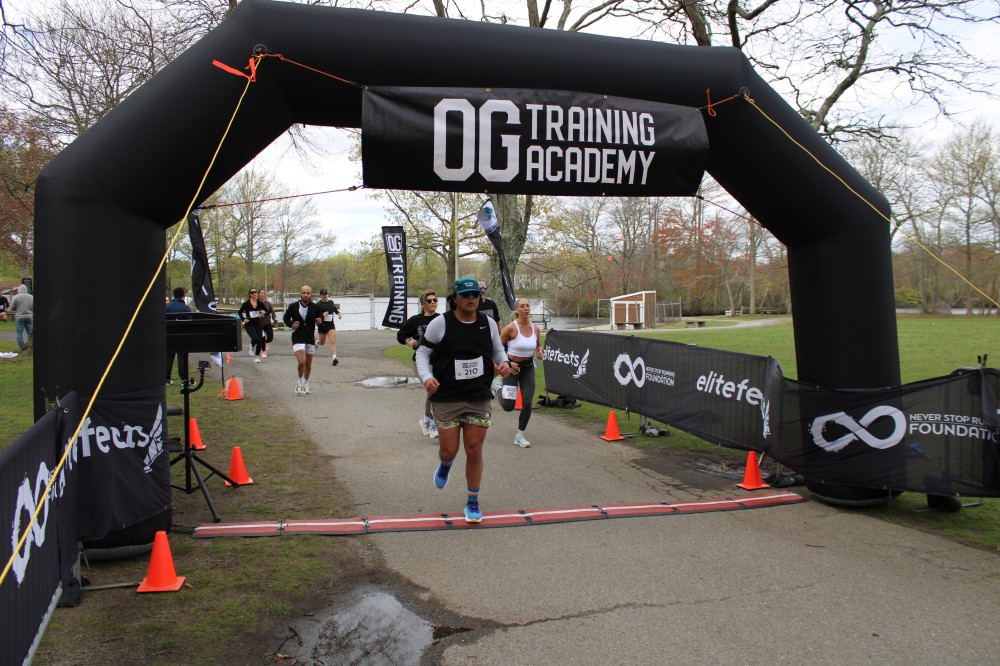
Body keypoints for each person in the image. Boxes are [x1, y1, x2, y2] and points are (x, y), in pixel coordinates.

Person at [415, 276, 513, 524]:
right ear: (455, 299)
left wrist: (503, 363)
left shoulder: (487, 323)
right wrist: (427, 377)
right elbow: (422, 353)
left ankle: (472, 502)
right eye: (466, 295)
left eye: (475, 295)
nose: (471, 299)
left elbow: (498, 350)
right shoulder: (441, 323)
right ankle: (445, 464)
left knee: (474, 449)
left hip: (478, 396)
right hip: (447, 397)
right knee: (449, 450)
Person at [497, 297, 544, 447]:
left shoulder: (535, 328)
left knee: (528, 402)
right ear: (517, 310)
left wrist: (540, 351)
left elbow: (538, 345)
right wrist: (507, 363)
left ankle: (520, 435)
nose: (526, 308)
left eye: (528, 306)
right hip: (512, 369)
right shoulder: (511, 328)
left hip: (528, 368)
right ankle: (497, 386)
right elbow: (497, 348)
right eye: (522, 306)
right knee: (508, 406)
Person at [397, 289, 441, 438]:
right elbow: (401, 334)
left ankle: (427, 419)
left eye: (435, 300)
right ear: (423, 304)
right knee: (433, 390)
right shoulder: (416, 320)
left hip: (438, 362)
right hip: (421, 362)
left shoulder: (441, 319)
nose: (433, 303)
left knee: (435, 391)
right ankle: (433, 423)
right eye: (429, 301)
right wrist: (408, 340)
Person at [282, 285, 324, 395]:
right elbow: (285, 318)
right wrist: (291, 324)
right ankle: (300, 381)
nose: (305, 295)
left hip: (309, 337)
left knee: (308, 364)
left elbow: (320, 319)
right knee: (302, 362)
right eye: (303, 293)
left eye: (308, 293)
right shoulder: (293, 306)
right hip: (297, 337)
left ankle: (305, 383)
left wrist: (320, 321)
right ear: (300, 294)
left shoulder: (315, 307)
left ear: (311, 294)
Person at [165, 287, 193, 385]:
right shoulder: (186, 308)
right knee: (182, 357)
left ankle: (166, 378)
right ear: (183, 296)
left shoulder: (167, 307)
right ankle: (184, 379)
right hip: (182, 336)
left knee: (168, 357)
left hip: (169, 335)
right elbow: (190, 323)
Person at [316, 288, 343, 366]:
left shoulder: (331, 302)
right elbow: (315, 316)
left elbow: (334, 309)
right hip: (322, 326)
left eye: (326, 294)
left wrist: (339, 314)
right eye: (323, 294)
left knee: (332, 340)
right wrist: (322, 315)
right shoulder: (318, 305)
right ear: (320, 296)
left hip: (330, 326)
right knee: (322, 343)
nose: (325, 296)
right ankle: (317, 341)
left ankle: (334, 358)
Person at [237, 288, 265, 362]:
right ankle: (252, 346)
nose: (255, 293)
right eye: (253, 292)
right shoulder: (246, 303)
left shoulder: (259, 303)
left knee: (260, 341)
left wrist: (263, 313)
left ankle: (256, 356)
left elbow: (266, 310)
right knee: (255, 338)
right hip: (249, 324)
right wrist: (243, 319)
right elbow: (239, 312)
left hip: (257, 323)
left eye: (256, 292)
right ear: (250, 294)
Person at [9, 284, 34, 351]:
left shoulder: (16, 297)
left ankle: (21, 347)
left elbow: (11, 308)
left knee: (19, 333)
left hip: (19, 316)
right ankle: (30, 346)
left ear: (19, 290)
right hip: (29, 316)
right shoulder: (31, 297)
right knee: (30, 333)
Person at [257, 288, 276, 358]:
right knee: (262, 337)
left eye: (264, 293)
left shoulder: (268, 303)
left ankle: (265, 343)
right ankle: (263, 352)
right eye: (261, 293)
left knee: (270, 338)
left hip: (267, 322)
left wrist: (275, 319)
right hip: (259, 323)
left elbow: (272, 312)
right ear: (258, 294)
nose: (262, 294)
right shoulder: (256, 303)